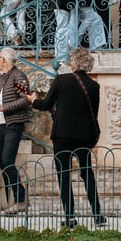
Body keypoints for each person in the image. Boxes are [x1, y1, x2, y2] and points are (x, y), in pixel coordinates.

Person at [27, 48, 106, 228]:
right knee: (87, 173)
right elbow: (93, 113)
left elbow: (46, 104)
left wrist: (32, 100)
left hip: (62, 134)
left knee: (63, 174)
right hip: (84, 135)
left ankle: (70, 217)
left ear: (73, 63)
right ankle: (97, 214)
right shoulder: (94, 86)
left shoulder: (62, 80)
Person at [0, 47, 30, 214]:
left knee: (7, 161)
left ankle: (21, 200)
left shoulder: (18, 76)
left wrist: (3, 108)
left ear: (4, 60)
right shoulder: (1, 78)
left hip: (13, 124)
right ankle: (13, 201)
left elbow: (26, 98)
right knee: (3, 164)